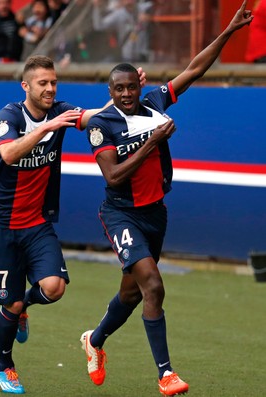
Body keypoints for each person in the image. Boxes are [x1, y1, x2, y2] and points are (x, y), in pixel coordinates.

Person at [80, 1, 253, 396]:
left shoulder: (154, 102)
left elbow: (194, 68)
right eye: (119, 89)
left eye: (131, 87)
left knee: (130, 292)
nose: (126, 94)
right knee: (154, 287)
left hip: (155, 213)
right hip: (120, 213)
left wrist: (228, 31)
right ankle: (166, 374)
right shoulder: (102, 125)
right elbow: (113, 174)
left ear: (140, 86)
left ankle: (95, 340)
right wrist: (151, 142)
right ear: (110, 92)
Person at [0, 54, 145, 394]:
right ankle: (4, 366)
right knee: (7, 304)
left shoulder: (61, 110)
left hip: (37, 222)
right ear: (26, 86)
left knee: (54, 288)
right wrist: (46, 128)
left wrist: (123, 96)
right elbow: (9, 154)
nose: (50, 89)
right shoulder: (9, 115)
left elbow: (96, 116)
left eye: (53, 82)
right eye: (43, 83)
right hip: (1, 223)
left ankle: (24, 307)